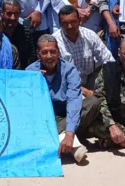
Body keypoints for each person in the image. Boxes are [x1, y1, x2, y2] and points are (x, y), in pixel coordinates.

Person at [26, 34, 100, 163]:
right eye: (44, 52)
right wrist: (34, 82)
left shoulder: (69, 70)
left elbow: (74, 100)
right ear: (38, 55)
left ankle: (63, 138)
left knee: (93, 102)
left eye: (53, 52)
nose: (49, 57)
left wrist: (70, 132)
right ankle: (70, 143)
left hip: (65, 114)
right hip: (43, 117)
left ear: (58, 52)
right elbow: (25, 104)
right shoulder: (30, 71)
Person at [54, 5, 114, 90]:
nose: (70, 26)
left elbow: (108, 59)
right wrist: (83, 91)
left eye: (73, 22)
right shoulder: (55, 42)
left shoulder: (90, 35)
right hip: (65, 85)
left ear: (79, 21)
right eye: (65, 23)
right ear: (60, 24)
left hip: (89, 79)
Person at [0, 0, 35, 70]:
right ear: (1, 13)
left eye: (16, 14)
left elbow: (31, 56)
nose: (13, 18)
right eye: (9, 14)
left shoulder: (26, 31)